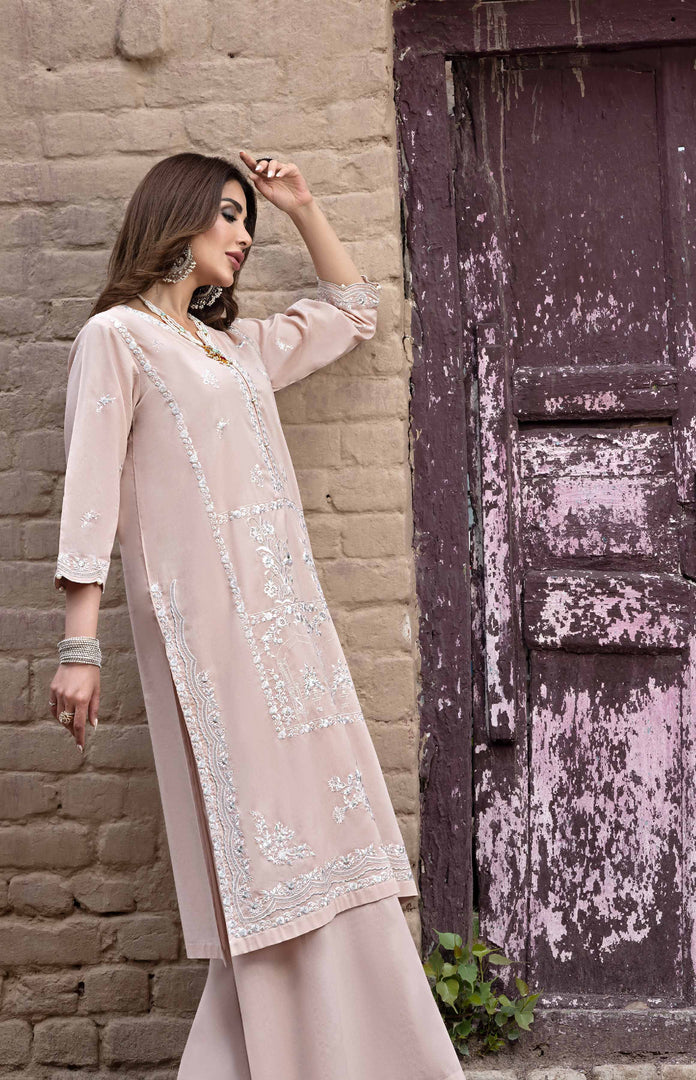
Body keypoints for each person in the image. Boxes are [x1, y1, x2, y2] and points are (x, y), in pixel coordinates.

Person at [49, 150, 465, 1080]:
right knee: (259, 847)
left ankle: (350, 1052)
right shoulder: (119, 338)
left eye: (250, 221)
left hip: (288, 632)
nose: (244, 236)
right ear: (179, 216)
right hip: (204, 630)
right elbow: (90, 490)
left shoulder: (232, 349)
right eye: (231, 216)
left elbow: (353, 313)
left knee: (321, 833)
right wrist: (80, 645)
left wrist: (302, 205)